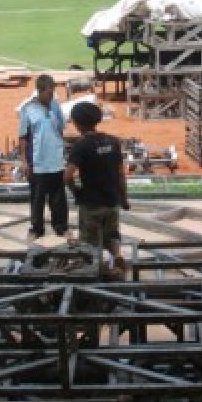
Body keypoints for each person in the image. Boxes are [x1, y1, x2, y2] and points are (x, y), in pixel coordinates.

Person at [64, 101, 130, 277]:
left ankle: (101, 272)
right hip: (112, 201)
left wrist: (75, 192)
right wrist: (123, 198)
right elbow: (121, 175)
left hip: (91, 204)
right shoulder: (113, 141)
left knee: (90, 244)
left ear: (77, 124)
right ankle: (117, 256)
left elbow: (68, 176)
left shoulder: (81, 145)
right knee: (112, 234)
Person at [18, 74, 70, 242]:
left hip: (55, 161)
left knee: (59, 198)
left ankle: (61, 227)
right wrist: (25, 162)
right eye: (49, 92)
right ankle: (36, 229)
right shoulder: (28, 109)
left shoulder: (56, 107)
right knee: (37, 198)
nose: (51, 95)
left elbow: (61, 130)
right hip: (38, 163)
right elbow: (23, 137)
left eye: (53, 91)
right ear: (40, 91)